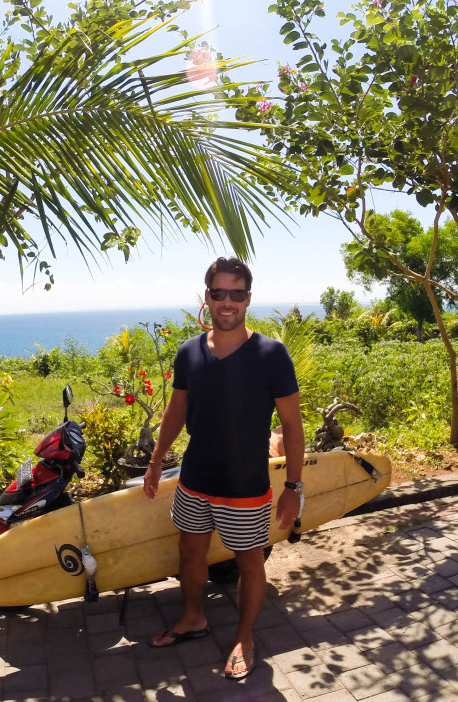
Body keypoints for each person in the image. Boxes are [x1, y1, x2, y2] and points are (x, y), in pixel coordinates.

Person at [143, 256, 306, 681]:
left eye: (237, 294)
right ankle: (193, 618)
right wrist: (157, 461)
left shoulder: (271, 353)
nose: (227, 302)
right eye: (219, 293)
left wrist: (293, 486)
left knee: (250, 561)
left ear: (248, 299)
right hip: (196, 476)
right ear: (208, 297)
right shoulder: (189, 351)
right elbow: (176, 411)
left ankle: (245, 638)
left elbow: (292, 425)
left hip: (245, 483)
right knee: (190, 551)